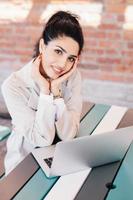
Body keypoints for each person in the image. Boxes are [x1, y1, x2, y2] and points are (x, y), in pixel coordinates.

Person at [1, 10, 84, 175]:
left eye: (71, 58)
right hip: (24, 163)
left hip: (60, 156)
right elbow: (42, 139)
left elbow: (69, 135)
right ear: (42, 46)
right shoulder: (14, 85)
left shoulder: (73, 77)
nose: (62, 64)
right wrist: (46, 92)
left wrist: (56, 91)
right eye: (58, 51)